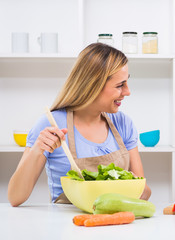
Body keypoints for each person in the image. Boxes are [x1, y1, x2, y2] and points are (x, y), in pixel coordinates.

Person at [8, 43, 151, 206]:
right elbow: (15, 197)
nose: (127, 91)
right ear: (93, 85)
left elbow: (144, 191)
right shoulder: (51, 124)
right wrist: (37, 150)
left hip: (114, 222)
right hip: (67, 225)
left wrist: (128, 187)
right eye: (120, 85)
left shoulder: (123, 123)